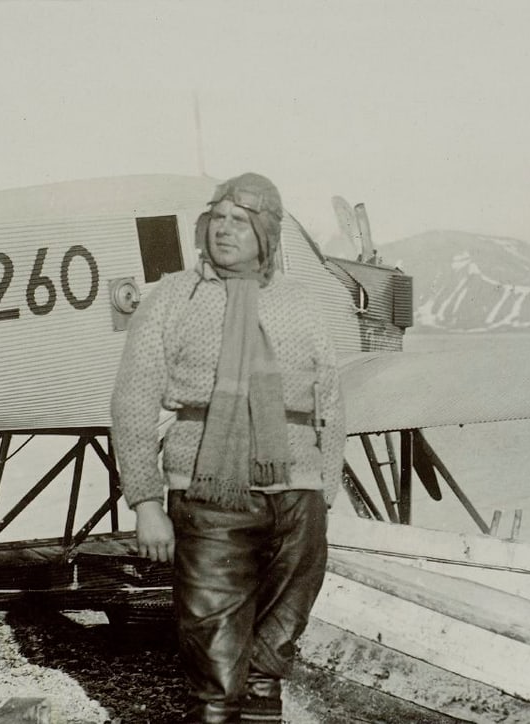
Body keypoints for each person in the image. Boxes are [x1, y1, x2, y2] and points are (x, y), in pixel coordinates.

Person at [111, 172, 345, 723]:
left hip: (296, 498)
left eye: (241, 221)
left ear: (267, 233)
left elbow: (331, 398)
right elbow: (133, 401)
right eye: (218, 218)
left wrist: (323, 492)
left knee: (271, 661)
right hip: (209, 497)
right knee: (214, 669)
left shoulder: (303, 304)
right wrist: (146, 502)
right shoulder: (171, 298)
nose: (225, 230)